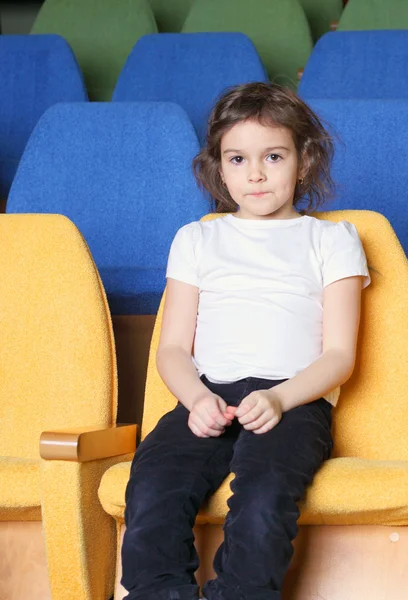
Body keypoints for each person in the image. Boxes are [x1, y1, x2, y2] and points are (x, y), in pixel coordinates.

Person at [121, 82, 370, 600]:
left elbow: (341, 355)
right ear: (219, 167)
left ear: (304, 162)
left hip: (292, 400)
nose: (254, 173)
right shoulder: (197, 238)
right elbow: (171, 349)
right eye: (237, 158)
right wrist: (194, 399)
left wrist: (280, 397)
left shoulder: (333, 239)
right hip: (207, 395)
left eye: (273, 156)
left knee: (263, 499)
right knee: (152, 489)